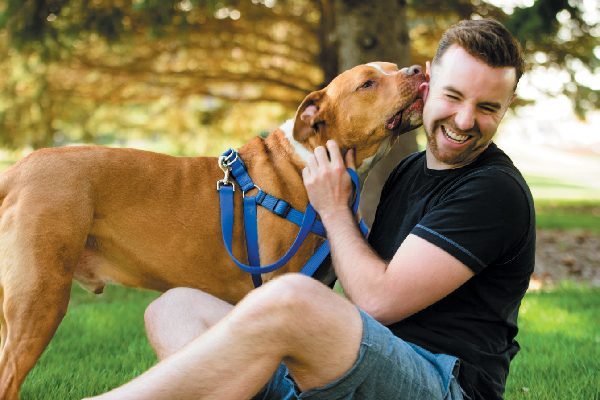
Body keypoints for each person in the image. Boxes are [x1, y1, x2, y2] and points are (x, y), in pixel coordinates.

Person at [87, 18, 534, 400]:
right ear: (428, 83)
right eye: (454, 96)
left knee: (291, 297)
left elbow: (376, 302)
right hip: (359, 372)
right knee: (175, 307)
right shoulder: (409, 171)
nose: (464, 120)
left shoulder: (494, 190)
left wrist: (334, 209)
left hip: (437, 383)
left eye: (487, 107)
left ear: (506, 107)